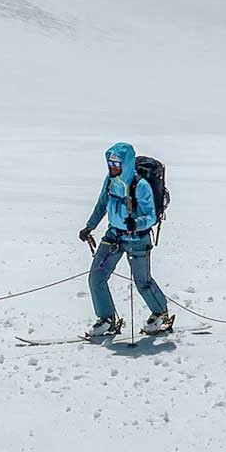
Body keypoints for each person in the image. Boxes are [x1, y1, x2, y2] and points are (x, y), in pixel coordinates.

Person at [78, 142, 174, 336]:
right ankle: (107, 319)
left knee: (142, 282)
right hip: (114, 236)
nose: (113, 168)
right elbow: (102, 205)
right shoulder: (110, 181)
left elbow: (151, 216)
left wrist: (136, 223)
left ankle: (161, 314)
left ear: (126, 163)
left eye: (117, 164)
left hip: (138, 239)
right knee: (96, 277)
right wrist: (90, 226)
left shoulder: (141, 186)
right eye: (111, 164)